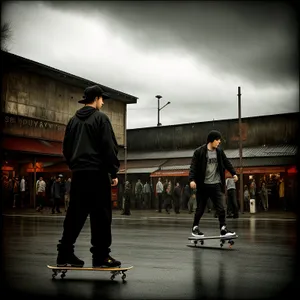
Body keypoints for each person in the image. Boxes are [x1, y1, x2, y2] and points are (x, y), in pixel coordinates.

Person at [56, 85, 121, 268]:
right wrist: (113, 171)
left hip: (79, 174)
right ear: (97, 98)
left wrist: (75, 166)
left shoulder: (73, 121)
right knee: (101, 216)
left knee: (75, 215)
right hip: (98, 174)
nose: (103, 102)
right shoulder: (101, 119)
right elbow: (109, 147)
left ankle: (64, 253)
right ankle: (101, 256)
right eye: (102, 99)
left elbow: (66, 148)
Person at [189, 130, 238, 237]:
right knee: (200, 208)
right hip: (203, 185)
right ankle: (195, 228)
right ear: (212, 140)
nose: (219, 142)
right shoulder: (199, 152)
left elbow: (226, 162)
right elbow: (193, 166)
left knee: (221, 207)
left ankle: (223, 229)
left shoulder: (219, 152)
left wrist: (234, 173)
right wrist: (192, 179)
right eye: (218, 140)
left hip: (216, 184)